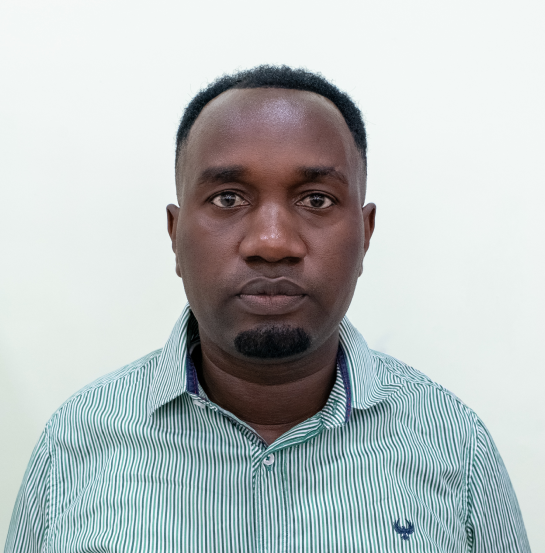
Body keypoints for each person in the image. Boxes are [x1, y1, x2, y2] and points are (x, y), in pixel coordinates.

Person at [5, 65, 530, 552]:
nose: (273, 242)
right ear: (175, 234)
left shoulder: (455, 446)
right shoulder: (73, 444)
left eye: (316, 199)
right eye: (228, 198)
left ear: (366, 233)